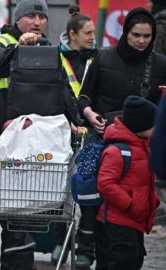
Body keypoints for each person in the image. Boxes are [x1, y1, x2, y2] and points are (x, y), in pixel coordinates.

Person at [0, 0, 48, 268]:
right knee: (13, 214)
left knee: (28, 213)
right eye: (31, 16)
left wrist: (78, 118)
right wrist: (17, 48)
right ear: (18, 19)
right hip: (7, 140)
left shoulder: (49, 48)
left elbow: (66, 88)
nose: (37, 22)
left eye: (41, 16)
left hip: (40, 143)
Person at [52, 4, 97, 269]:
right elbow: (53, 93)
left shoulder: (99, 58)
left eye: (93, 32)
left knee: (88, 192)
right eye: (87, 32)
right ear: (72, 33)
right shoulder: (55, 57)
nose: (92, 36)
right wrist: (65, 120)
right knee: (61, 192)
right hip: (62, 133)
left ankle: (86, 249)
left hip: (90, 135)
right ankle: (60, 242)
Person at [94, 95, 160, 270]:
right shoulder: (117, 151)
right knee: (123, 260)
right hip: (118, 218)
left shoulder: (144, 146)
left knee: (135, 259)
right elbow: (105, 184)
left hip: (135, 218)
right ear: (141, 126)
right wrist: (130, 204)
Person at [79, 7, 166, 138]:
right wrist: (90, 114)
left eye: (147, 36)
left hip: (145, 143)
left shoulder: (161, 64)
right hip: (105, 139)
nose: (142, 41)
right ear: (126, 33)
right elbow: (83, 99)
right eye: (136, 35)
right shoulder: (102, 57)